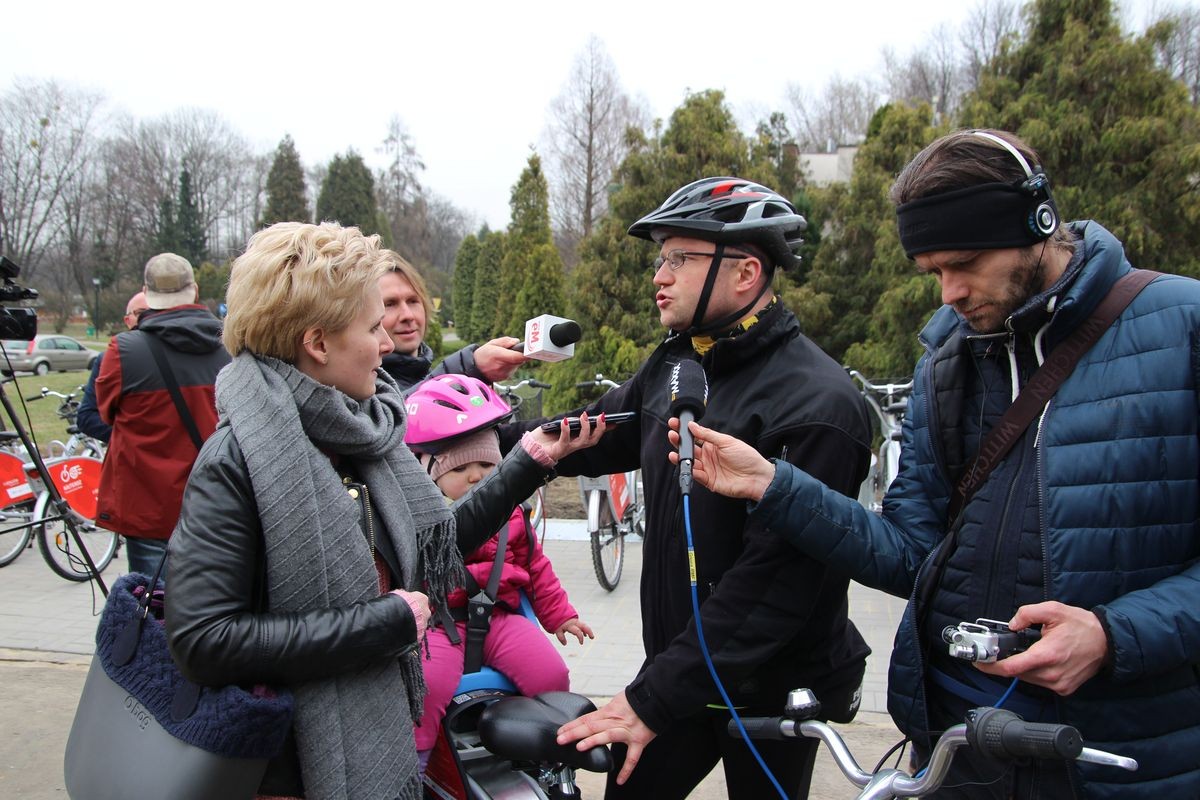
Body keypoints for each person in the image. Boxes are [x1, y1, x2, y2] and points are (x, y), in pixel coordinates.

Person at [670, 130, 1200, 798]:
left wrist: (1111, 635)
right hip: (957, 754)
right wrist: (776, 486)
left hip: (1121, 762)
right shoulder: (946, 363)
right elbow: (911, 555)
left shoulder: (1183, 327)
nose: (949, 293)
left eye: (966, 263)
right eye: (932, 272)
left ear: (1037, 223)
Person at [164, 221, 603, 800]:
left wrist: (527, 461)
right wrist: (384, 623)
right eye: (373, 327)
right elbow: (204, 641)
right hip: (279, 766)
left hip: (369, 730)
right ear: (317, 343)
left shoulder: (363, 435)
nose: (390, 344)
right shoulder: (236, 461)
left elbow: (438, 545)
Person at [530, 178, 873, 799]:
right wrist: (481, 435)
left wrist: (652, 698)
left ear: (745, 272)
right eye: (660, 257)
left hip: (769, 691)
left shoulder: (819, 404)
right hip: (681, 671)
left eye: (678, 258)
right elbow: (593, 432)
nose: (658, 275)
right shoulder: (678, 363)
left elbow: (771, 588)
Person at [405, 374, 595, 771]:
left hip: (499, 618)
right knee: (425, 688)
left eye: (487, 466)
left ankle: (546, 759)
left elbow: (537, 569)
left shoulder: (512, 516)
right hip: (442, 625)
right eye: (462, 469)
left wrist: (562, 615)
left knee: (551, 672)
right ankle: (416, 764)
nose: (477, 477)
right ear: (431, 474)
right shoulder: (422, 522)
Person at [95, 254, 230, 575]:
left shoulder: (124, 351)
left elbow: (105, 413)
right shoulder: (230, 345)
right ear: (194, 290)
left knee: (151, 609)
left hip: (149, 507)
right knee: (213, 610)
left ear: (147, 292)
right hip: (217, 502)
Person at [378, 250, 526, 390]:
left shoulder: (423, 372)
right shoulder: (367, 388)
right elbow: (400, 411)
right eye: (390, 304)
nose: (407, 315)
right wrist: (471, 367)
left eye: (412, 301)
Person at [76, 291, 149, 443]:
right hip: (134, 457)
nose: (148, 318)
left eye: (152, 312)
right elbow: (87, 417)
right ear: (127, 320)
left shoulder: (182, 352)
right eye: (141, 313)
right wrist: (135, 439)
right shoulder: (112, 358)